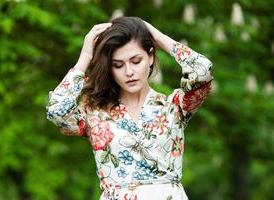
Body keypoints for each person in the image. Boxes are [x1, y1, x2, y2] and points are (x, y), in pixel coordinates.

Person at [46, 16, 213, 200]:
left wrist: (159, 37)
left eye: (136, 61)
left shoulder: (173, 107)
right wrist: (85, 57)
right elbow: (57, 111)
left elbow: (203, 71)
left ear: (150, 57)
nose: (129, 72)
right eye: (118, 65)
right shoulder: (95, 112)